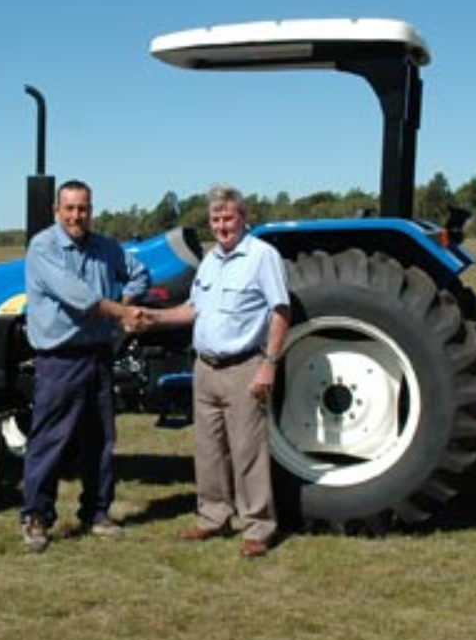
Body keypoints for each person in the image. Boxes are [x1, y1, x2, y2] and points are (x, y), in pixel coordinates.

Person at [141, 185, 290, 558]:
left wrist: (269, 366)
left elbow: (280, 312)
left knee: (248, 451)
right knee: (208, 450)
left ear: (243, 218)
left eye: (228, 218)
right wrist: (155, 318)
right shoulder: (210, 260)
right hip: (205, 368)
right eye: (216, 220)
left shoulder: (262, 256)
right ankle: (213, 517)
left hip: (244, 368)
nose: (222, 226)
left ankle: (258, 527)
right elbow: (194, 310)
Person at [19, 179, 150, 553]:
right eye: (70, 208)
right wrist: (124, 312)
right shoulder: (43, 247)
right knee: (50, 441)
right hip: (60, 360)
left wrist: (127, 302)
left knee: (101, 441)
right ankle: (36, 517)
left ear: (91, 210)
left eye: (84, 208)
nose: (77, 216)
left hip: (97, 357)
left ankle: (97, 512)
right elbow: (79, 298)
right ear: (57, 211)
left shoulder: (106, 247)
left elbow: (139, 273)